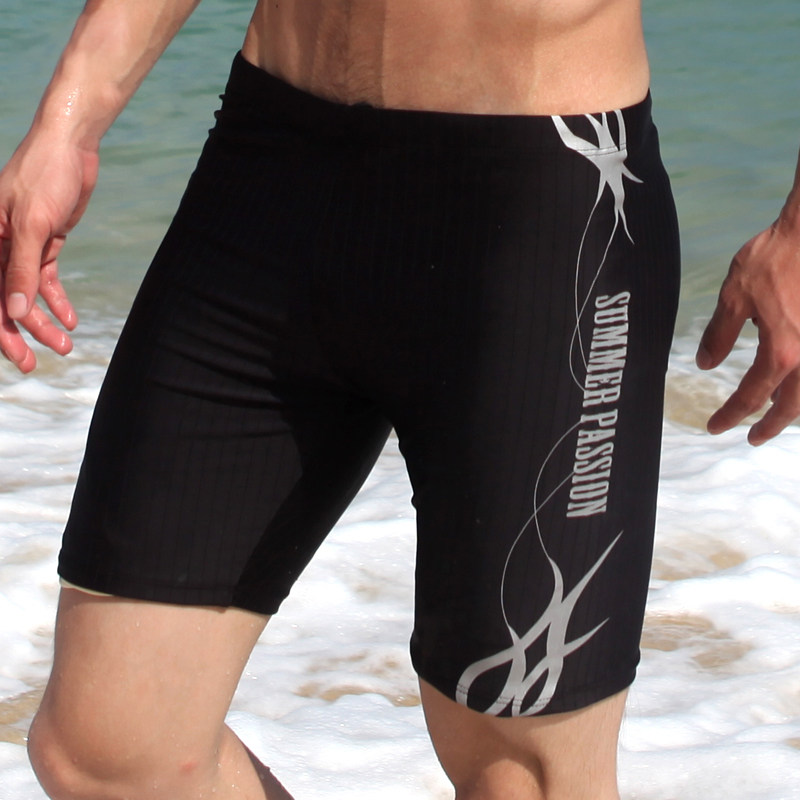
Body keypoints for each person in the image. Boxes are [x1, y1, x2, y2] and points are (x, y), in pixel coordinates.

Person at [1, 1, 799, 798]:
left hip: (548, 196)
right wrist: (69, 123)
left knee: (522, 773)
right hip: (271, 166)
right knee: (107, 746)